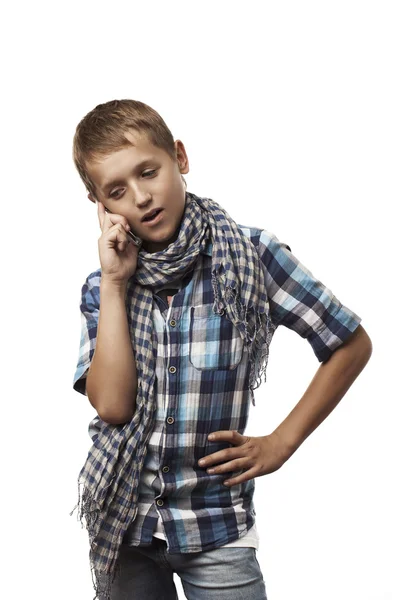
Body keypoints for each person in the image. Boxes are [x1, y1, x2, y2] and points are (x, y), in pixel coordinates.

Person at [70, 99, 372, 600]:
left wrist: (282, 442)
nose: (142, 198)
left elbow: (349, 344)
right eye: (117, 191)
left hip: (216, 526)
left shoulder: (251, 256)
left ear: (180, 158)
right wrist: (115, 285)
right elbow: (113, 406)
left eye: (149, 172)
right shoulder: (103, 285)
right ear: (99, 205)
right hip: (124, 523)